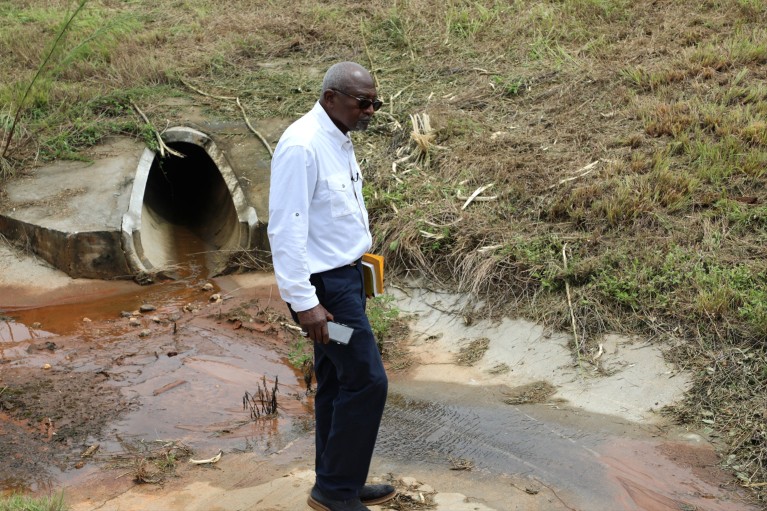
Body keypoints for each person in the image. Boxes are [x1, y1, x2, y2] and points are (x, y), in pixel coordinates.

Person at [267, 62, 394, 511]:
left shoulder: (337, 138)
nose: (371, 111)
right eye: (363, 103)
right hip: (325, 297)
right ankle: (335, 491)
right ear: (331, 97)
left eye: (375, 102)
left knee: (339, 379)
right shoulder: (302, 146)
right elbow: (285, 230)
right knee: (367, 380)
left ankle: (339, 479)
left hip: (345, 282)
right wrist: (306, 306)